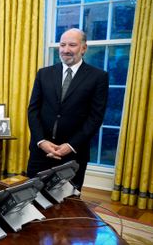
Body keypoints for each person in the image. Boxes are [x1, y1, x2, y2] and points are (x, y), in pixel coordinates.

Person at [26, 28, 108, 190]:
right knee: (32, 197)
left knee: (68, 203)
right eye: (62, 45)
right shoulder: (44, 74)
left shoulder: (98, 77)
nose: (66, 50)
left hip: (73, 153)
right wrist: (41, 141)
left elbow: (95, 117)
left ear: (84, 48)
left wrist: (70, 145)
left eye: (72, 45)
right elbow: (33, 110)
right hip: (41, 151)